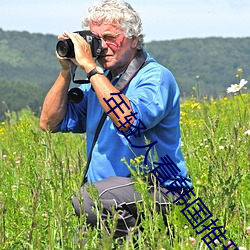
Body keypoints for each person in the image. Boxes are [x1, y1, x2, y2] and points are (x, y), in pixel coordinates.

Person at [40, 0, 192, 244]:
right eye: (96, 39)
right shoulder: (99, 83)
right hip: (111, 199)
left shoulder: (154, 77)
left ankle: (144, 240)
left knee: (87, 199)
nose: (102, 47)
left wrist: (90, 67)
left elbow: (129, 121)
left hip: (160, 190)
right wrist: (66, 70)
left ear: (133, 39)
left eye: (110, 37)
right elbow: (49, 123)